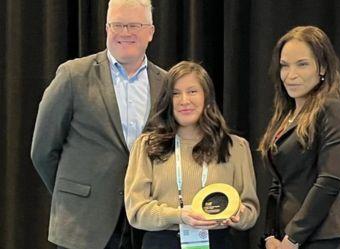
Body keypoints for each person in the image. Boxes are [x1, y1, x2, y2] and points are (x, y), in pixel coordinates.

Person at [31, 0, 166, 248]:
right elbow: (42, 151)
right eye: (117, 24)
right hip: (83, 225)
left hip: (142, 225)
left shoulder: (165, 83)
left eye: (133, 25)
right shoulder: (73, 75)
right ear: (106, 29)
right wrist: (72, 197)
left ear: (151, 31)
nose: (124, 32)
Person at [124, 61, 260, 249]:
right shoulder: (146, 146)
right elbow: (136, 211)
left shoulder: (235, 147)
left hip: (218, 242)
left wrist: (238, 215)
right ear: (167, 100)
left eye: (192, 91)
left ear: (207, 97)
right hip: (162, 243)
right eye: (175, 93)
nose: (184, 100)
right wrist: (179, 215)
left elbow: (250, 210)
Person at [258, 26, 340, 249]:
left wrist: (293, 237)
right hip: (283, 240)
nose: (290, 75)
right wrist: (270, 234)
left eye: (302, 64)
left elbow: (330, 181)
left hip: (321, 239)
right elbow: (277, 183)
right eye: (284, 66)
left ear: (322, 67)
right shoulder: (286, 115)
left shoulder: (334, 109)